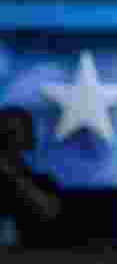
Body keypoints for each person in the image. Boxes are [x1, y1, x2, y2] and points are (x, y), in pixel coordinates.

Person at [0, 107, 63, 249]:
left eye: (13, 134)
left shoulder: (43, 182)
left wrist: (14, 175)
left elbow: (49, 213)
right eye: (5, 134)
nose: (8, 141)